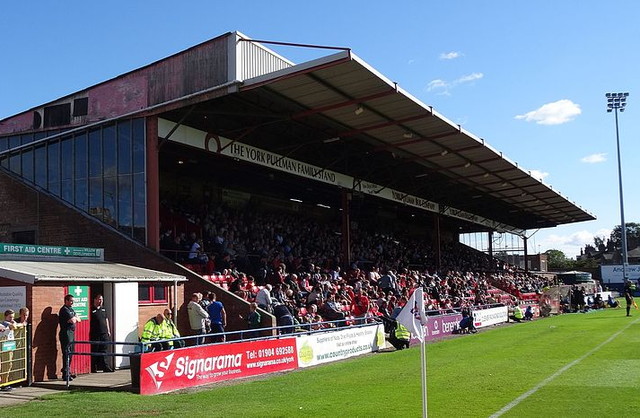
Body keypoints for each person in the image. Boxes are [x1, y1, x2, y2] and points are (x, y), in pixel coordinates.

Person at [59, 294, 81, 381]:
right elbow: (72, 320)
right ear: (66, 301)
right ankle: (65, 373)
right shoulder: (64, 310)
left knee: (71, 353)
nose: (72, 302)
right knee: (66, 353)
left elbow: (78, 319)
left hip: (71, 333)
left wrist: (74, 318)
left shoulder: (71, 309)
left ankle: (68, 371)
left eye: (73, 301)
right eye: (71, 301)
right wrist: (73, 319)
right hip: (66, 333)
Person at [90, 294, 114, 373]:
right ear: (95, 300)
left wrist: (108, 330)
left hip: (104, 333)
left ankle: (105, 367)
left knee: (104, 350)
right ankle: (93, 367)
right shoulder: (91, 309)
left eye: (102, 300)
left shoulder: (103, 309)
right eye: (99, 299)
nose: (101, 301)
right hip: (95, 334)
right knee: (95, 351)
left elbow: (106, 319)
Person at [0, 310, 17, 391]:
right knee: (6, 365)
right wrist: (14, 323)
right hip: (5, 347)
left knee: (9, 364)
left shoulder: (11, 323)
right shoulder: (3, 324)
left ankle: (5, 382)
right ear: (5, 317)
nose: (12, 319)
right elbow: (13, 327)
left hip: (10, 346)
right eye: (10, 317)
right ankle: (4, 383)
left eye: (13, 317)